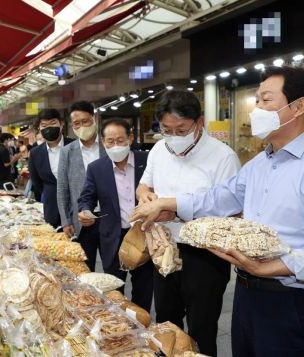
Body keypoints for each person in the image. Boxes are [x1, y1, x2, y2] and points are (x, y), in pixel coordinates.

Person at [131, 66, 304, 357]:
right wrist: (169, 203)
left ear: (299, 106)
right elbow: (221, 197)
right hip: (247, 292)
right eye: (256, 100)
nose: (256, 109)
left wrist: (269, 268)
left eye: (265, 100)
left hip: (291, 299)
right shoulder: (261, 163)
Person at [135, 90, 241, 356]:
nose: (174, 136)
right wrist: (144, 194)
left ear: (199, 122)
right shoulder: (160, 149)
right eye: (166, 129)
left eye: (181, 129)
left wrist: (176, 212)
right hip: (164, 249)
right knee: (167, 325)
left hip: (205, 255)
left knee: (201, 327)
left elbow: (230, 210)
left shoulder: (223, 157)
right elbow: (144, 183)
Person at [77, 119, 154, 311]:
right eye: (110, 141)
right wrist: (85, 211)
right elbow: (86, 197)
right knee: (114, 290)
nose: (115, 145)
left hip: (143, 234)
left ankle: (141, 325)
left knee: (144, 288)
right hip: (112, 235)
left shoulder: (148, 161)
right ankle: (119, 329)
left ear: (130, 137)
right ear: (103, 142)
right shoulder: (97, 168)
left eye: (120, 140)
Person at [57, 101, 106, 270]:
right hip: (82, 220)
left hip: (109, 218)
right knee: (84, 268)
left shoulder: (108, 146)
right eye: (77, 123)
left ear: (94, 119)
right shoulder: (67, 152)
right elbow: (62, 188)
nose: (81, 126)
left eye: (85, 121)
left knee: (113, 267)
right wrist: (66, 221)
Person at [28, 109, 74, 227]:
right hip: (51, 208)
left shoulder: (75, 146)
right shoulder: (35, 153)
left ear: (61, 124)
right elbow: (36, 182)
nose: (48, 128)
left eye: (53, 123)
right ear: (39, 128)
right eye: (44, 125)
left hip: (76, 209)